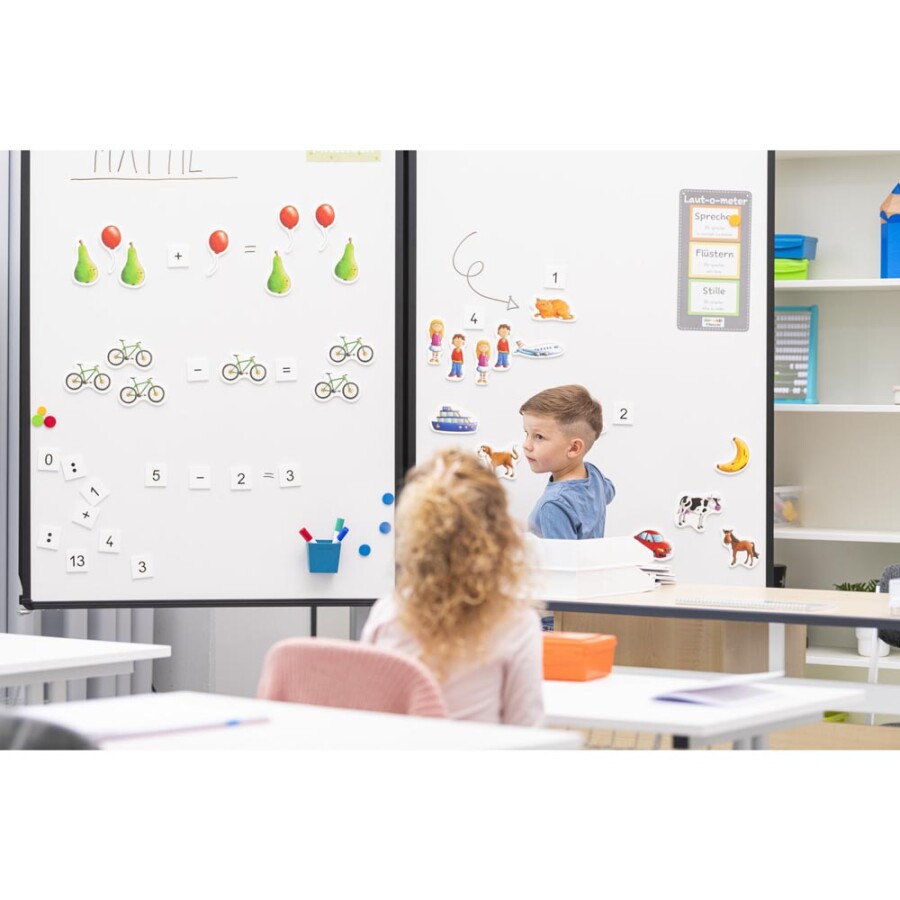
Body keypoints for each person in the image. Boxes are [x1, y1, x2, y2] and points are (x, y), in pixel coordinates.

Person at [361, 448, 544, 726]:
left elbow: (369, 718)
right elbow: (527, 729)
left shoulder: (387, 615)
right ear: (500, 535)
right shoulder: (516, 625)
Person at [519, 384, 616, 630]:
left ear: (574, 448)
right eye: (527, 434)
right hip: (581, 606)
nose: (526, 445)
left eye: (538, 437)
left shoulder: (554, 504)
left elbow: (562, 568)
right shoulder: (592, 475)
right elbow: (609, 491)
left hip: (552, 617)